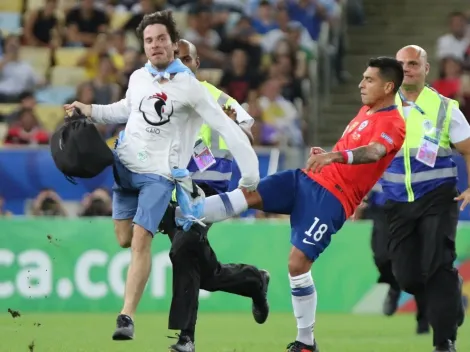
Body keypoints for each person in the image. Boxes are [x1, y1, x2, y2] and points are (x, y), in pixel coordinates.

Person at [174, 57, 406, 352]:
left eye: (369, 80)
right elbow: (354, 150)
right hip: (306, 179)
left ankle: (306, 342)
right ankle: (183, 213)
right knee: (249, 193)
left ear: (388, 86)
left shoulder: (394, 123)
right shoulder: (366, 111)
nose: (361, 84)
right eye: (362, 78)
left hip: (333, 199)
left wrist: (334, 157)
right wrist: (328, 154)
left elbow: (374, 152)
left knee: (297, 264)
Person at [64, 10, 260, 341]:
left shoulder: (195, 89)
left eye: (162, 39)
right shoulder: (139, 77)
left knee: (146, 240)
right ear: (144, 45)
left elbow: (231, 125)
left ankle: (131, 318)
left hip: (167, 179)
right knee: (125, 239)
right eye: (149, 40)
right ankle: (251, 281)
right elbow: (125, 108)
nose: (156, 45)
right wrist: (90, 109)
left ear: (174, 45)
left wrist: (250, 174)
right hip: (126, 167)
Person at [161, 39, 270, 352]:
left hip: (206, 193)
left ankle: (186, 339)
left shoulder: (217, 98)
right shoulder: (159, 102)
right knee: (202, 270)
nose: (178, 65)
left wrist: (234, 127)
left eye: (185, 59)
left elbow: (251, 133)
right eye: (173, 60)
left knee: (183, 250)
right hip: (171, 191)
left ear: (196, 64)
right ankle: (253, 280)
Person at [379, 45, 469, 352]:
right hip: (397, 201)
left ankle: (444, 342)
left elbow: (468, 149)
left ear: (426, 69)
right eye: (401, 63)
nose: (407, 68)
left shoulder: (445, 107)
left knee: (438, 266)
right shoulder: (380, 107)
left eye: (414, 63)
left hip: (438, 197)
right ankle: (453, 294)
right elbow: (363, 150)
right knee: (407, 279)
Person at [355, 184, 430, 334]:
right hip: (381, 209)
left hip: (412, 207)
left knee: (416, 266)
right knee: (381, 257)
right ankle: (394, 284)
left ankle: (423, 320)